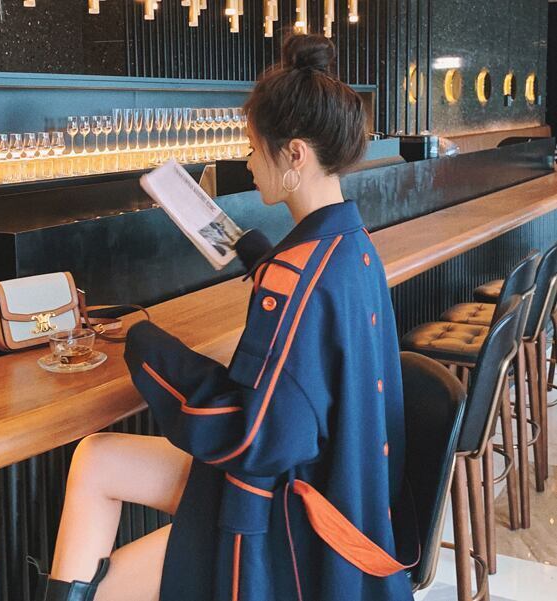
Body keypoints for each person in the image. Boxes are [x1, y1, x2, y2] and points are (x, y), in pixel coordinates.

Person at [34, 34, 416, 601]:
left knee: (103, 585)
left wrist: (146, 346)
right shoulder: (351, 247)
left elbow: (256, 436)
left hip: (288, 531)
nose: (248, 161)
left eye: (254, 148)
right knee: (95, 456)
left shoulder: (296, 279)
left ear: (294, 155)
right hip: (336, 497)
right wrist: (261, 258)